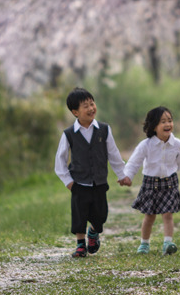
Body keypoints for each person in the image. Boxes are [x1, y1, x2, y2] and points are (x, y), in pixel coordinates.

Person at [55, 87, 132, 258]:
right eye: (85, 106)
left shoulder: (104, 130)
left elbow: (113, 154)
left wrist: (122, 174)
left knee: (101, 215)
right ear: (75, 112)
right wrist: (68, 181)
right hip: (79, 182)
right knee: (79, 214)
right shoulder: (69, 134)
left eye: (92, 104)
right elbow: (60, 160)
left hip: (99, 181)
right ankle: (80, 244)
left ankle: (93, 232)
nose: (91, 108)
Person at [120, 106, 180, 255]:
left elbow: (179, 161)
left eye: (170, 120)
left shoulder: (177, 144)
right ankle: (144, 244)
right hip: (151, 183)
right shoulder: (146, 145)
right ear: (154, 126)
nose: (168, 124)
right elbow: (134, 162)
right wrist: (127, 176)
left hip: (170, 183)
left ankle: (167, 243)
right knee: (150, 216)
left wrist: (174, 172)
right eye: (163, 121)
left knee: (168, 214)